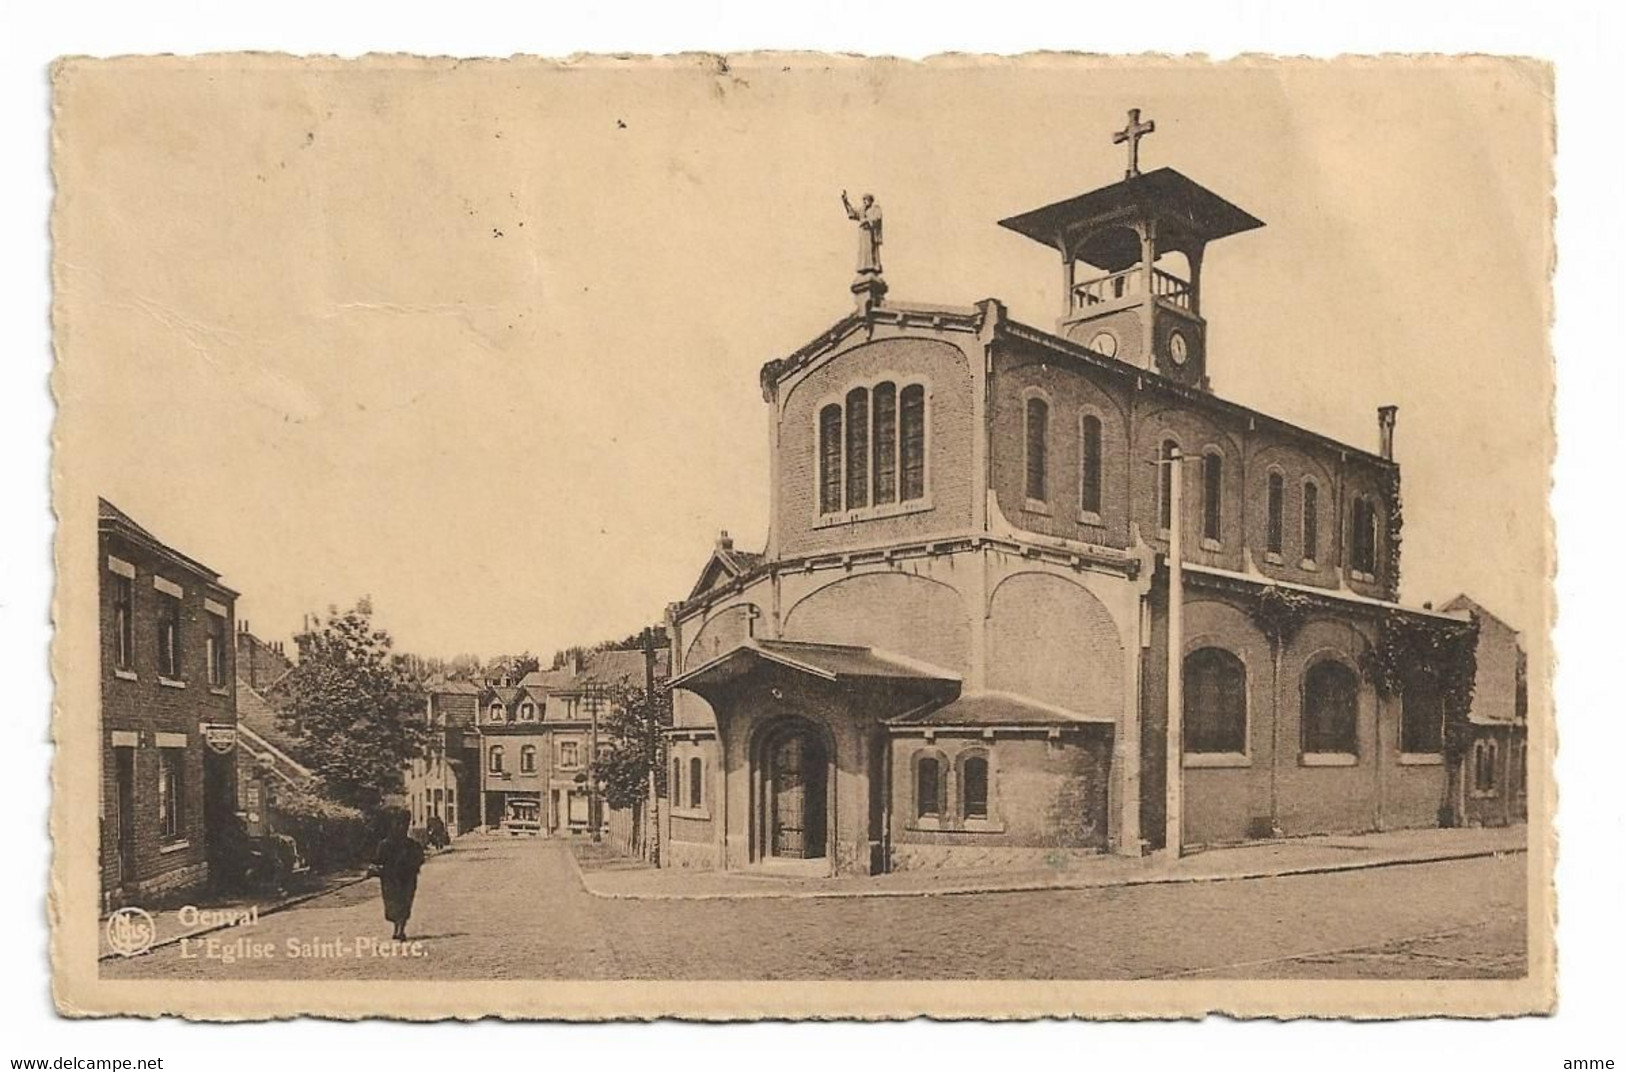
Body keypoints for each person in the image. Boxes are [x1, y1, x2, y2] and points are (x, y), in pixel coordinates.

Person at [371, 812, 425, 941]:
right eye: (398, 825)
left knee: (405, 903)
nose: (401, 828)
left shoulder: (412, 845)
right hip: (390, 879)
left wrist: (413, 865)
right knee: (393, 904)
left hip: (407, 878)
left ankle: (400, 929)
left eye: (404, 825)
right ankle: (397, 928)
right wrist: (375, 869)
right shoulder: (385, 845)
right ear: (392, 826)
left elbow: (420, 859)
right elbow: (377, 861)